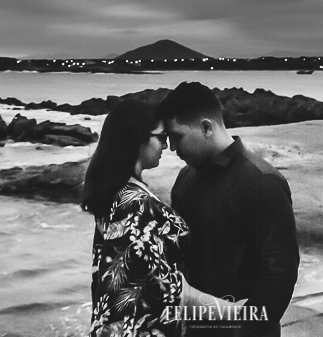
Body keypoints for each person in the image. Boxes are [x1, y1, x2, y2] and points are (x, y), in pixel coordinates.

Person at [82, 98, 242, 337]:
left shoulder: (115, 193)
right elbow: (169, 288)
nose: (167, 146)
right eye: (161, 137)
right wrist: (236, 313)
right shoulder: (135, 204)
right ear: (137, 139)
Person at [157, 82, 299, 337]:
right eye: (167, 139)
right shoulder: (185, 178)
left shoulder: (262, 182)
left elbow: (280, 272)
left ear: (206, 127)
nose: (172, 149)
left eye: (177, 137)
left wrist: (243, 330)